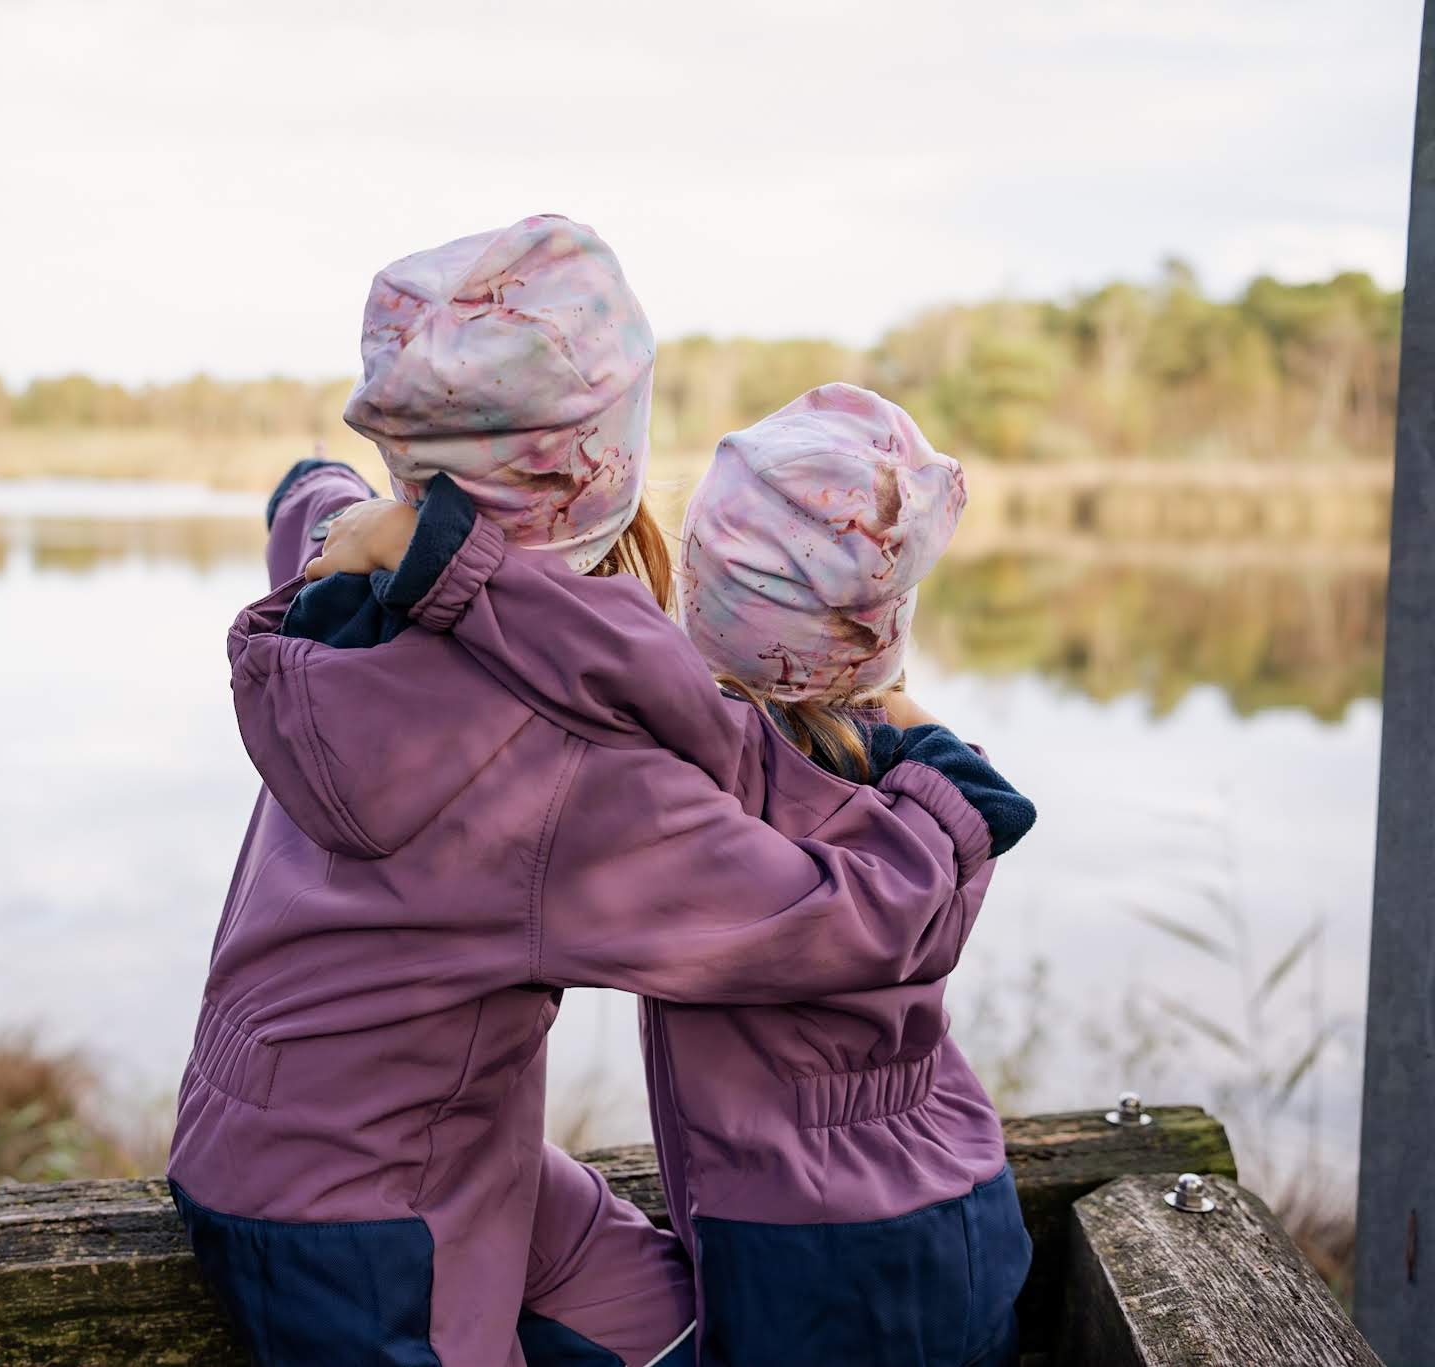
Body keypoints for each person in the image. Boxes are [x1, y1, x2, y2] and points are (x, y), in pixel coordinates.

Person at [168, 215, 1004, 1366]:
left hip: (375, 1134)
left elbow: (302, 498)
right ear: (607, 460)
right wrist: (945, 796)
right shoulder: (564, 769)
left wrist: (348, 495)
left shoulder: (343, 555)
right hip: (356, 1221)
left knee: (658, 1314)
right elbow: (826, 922)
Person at [312, 382, 1036, 1366]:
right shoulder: (922, 774)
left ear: (705, 596)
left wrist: (421, 542)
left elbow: (577, 650)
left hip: (800, 1235)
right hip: (964, 1185)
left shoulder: (728, 773)